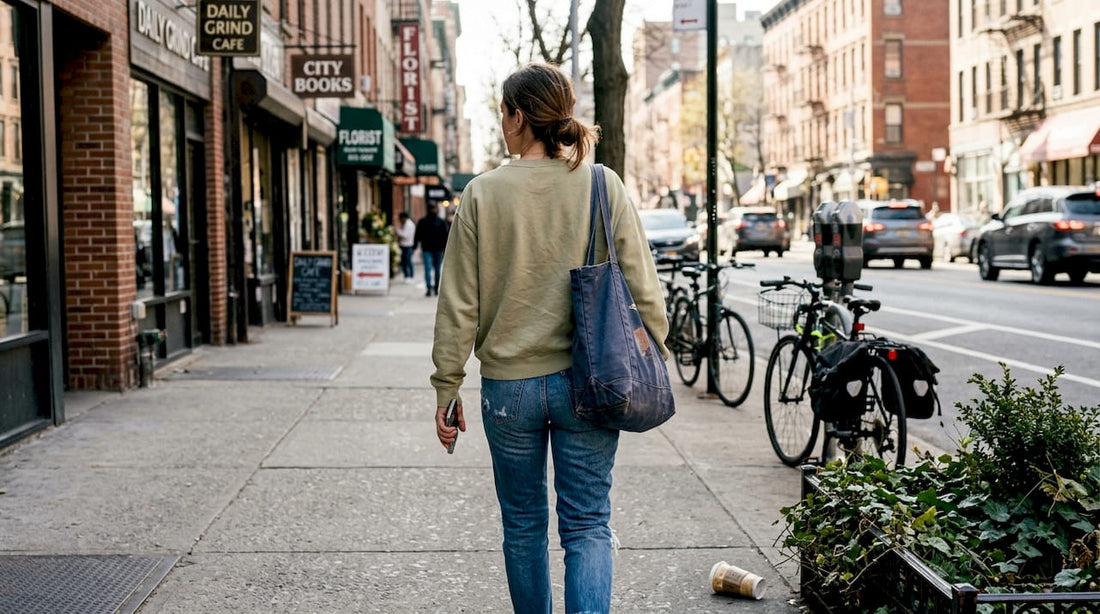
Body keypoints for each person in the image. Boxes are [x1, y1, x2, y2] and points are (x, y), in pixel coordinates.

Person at [431, 63, 668, 614]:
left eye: (502, 112)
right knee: (587, 524)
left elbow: (458, 302)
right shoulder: (602, 184)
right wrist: (653, 350)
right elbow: (643, 284)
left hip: (509, 389)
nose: (501, 122)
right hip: (592, 383)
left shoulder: (482, 194)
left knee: (523, 528)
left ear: (518, 117)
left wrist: (447, 384)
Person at [414, 203, 448, 296]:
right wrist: (415, 245)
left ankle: (434, 288)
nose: (433, 210)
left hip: (435, 249)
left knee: (434, 269)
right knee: (429, 269)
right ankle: (430, 288)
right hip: (429, 249)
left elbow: (445, 236)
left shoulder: (439, 221)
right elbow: (418, 234)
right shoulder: (428, 221)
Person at [394, 212, 417, 280]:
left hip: (407, 245)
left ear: (404, 218)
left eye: (400, 218)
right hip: (405, 245)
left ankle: (410, 276)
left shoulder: (408, 224)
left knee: (408, 260)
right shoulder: (405, 224)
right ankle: (407, 275)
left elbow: (405, 235)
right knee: (404, 261)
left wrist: (397, 231)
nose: (399, 220)